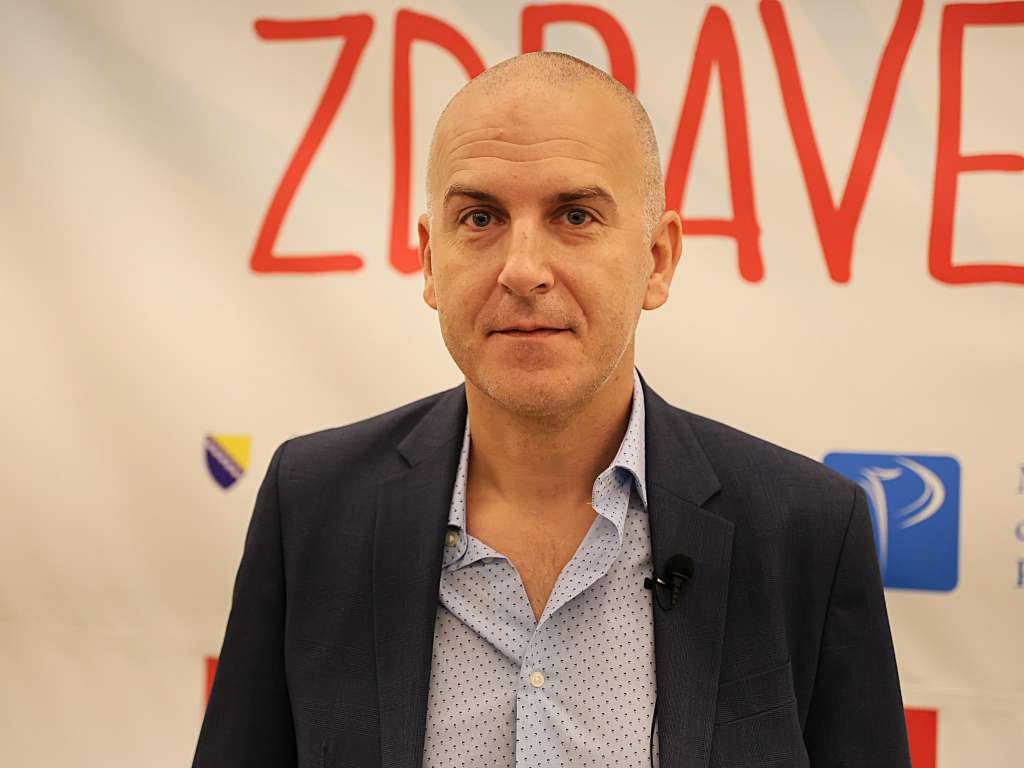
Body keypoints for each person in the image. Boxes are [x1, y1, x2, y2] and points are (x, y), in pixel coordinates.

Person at [193, 52, 911, 768]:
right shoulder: (313, 505)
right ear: (431, 261)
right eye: (480, 217)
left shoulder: (805, 528)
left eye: (575, 216)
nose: (523, 270)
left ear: (658, 259)